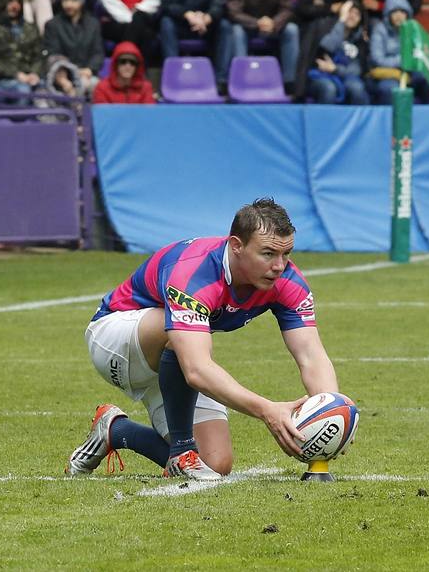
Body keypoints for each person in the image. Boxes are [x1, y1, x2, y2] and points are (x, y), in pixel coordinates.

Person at [66, 198, 337, 480]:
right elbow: (196, 369)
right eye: (268, 253)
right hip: (116, 339)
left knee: (215, 464)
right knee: (174, 330)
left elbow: (310, 355)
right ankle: (182, 450)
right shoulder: (193, 272)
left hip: (173, 358)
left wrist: (333, 410)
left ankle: (116, 430)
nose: (279, 266)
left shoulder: (287, 282)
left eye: (286, 254)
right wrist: (268, 410)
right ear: (236, 246)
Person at [217, 0, 299, 90]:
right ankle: (241, 78)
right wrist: (257, 23)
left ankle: (289, 81)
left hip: (272, 26)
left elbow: (287, 8)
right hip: (247, 25)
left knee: (291, 29)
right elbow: (233, 12)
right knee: (236, 31)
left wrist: (274, 22)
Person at [368, 0, 429, 104]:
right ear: (388, 14)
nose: (399, 16)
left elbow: (421, 51)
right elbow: (377, 59)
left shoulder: (413, 29)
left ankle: (428, 109)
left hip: (410, 72)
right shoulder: (380, 30)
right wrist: (403, 60)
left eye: (402, 12)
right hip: (389, 74)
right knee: (388, 89)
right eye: (395, 12)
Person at [43, 0, 104, 97]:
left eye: (74, 0)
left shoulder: (93, 24)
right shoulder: (53, 25)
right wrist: (68, 73)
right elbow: (53, 53)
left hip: (87, 73)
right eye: (65, 0)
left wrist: (90, 69)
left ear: (82, 2)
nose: (68, 4)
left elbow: (98, 53)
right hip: (61, 75)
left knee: (95, 85)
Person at [307, 0, 370, 104]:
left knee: (357, 88)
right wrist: (341, 21)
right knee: (329, 88)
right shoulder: (326, 27)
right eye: (350, 11)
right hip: (320, 75)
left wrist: (336, 69)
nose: (352, 16)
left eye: (357, 14)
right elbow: (327, 48)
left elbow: (357, 70)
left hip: (344, 75)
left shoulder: (360, 40)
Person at [0, 0, 46, 97]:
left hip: (29, 77)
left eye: (17, 2)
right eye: (10, 2)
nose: (14, 6)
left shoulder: (30, 28)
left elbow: (38, 56)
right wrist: (16, 74)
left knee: (45, 90)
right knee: (23, 91)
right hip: (2, 79)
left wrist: (34, 73)